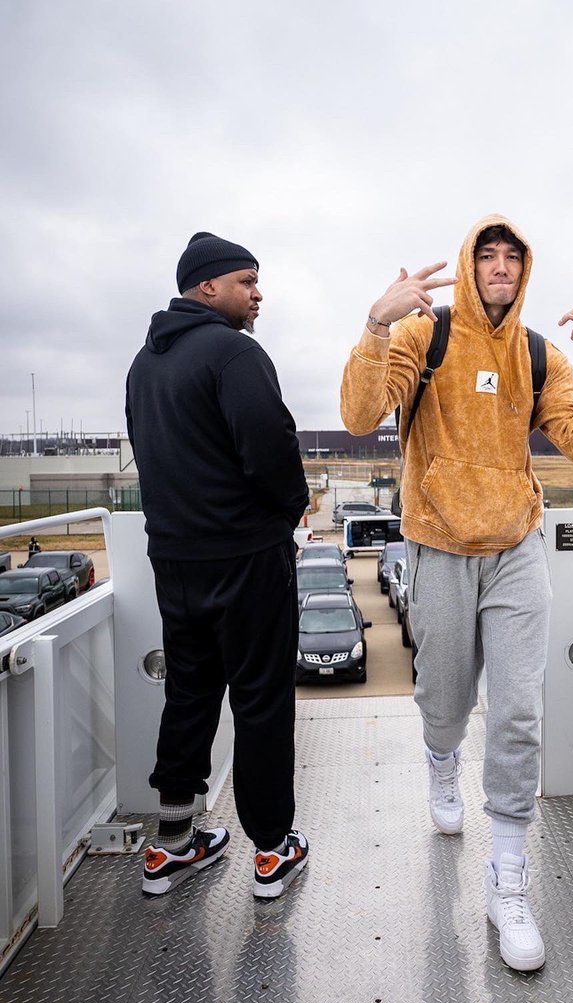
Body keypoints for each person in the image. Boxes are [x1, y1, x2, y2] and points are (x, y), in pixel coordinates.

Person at [341, 214, 573, 971]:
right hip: (435, 544)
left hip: (516, 551)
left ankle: (507, 877)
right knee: (442, 697)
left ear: (523, 271)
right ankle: (441, 760)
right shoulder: (421, 336)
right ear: (471, 265)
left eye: (512, 258)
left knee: (520, 706)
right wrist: (377, 320)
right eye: (487, 255)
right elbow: (360, 416)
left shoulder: (537, 353)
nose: (500, 267)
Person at [126, 232, 310, 899]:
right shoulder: (235, 352)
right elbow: (270, 446)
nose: (258, 294)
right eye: (247, 281)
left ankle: (172, 844)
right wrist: (290, 509)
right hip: (244, 559)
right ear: (207, 286)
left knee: (190, 693)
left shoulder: (143, 366)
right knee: (261, 700)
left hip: (175, 560)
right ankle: (271, 849)